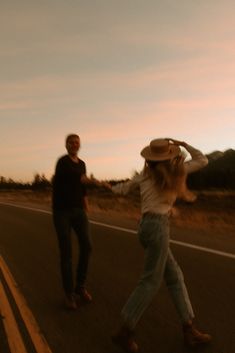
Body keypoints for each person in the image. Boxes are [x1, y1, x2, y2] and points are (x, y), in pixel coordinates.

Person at [111, 138, 212, 352]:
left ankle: (188, 328)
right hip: (158, 228)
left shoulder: (144, 175)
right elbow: (202, 160)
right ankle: (125, 330)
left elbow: (122, 189)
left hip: (146, 227)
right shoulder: (178, 171)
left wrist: (111, 187)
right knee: (150, 281)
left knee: (174, 276)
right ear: (170, 155)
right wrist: (184, 143)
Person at [52, 134, 93, 310]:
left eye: (77, 142)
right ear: (66, 145)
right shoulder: (62, 162)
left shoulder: (82, 163)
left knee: (87, 246)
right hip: (61, 211)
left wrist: (86, 206)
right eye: (71, 142)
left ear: (79, 145)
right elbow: (68, 177)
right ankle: (69, 295)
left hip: (78, 211)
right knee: (66, 252)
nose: (74, 145)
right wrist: (85, 179)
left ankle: (80, 286)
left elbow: (82, 188)